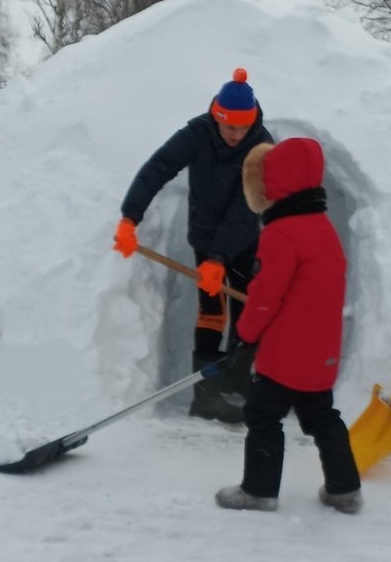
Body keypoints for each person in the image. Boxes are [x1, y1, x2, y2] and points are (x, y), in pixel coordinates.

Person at [114, 68, 272, 422]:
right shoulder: (197, 134)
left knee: (247, 315)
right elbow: (159, 167)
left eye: (242, 128)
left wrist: (221, 258)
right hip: (204, 236)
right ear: (217, 117)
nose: (235, 135)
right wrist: (130, 217)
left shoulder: (262, 146)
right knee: (212, 311)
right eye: (229, 127)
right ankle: (206, 397)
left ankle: (236, 392)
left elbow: (245, 208)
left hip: (244, 242)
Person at [214, 137, 361, 514]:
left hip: (284, 351)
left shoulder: (280, 234)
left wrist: (245, 335)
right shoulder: (323, 227)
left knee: (263, 415)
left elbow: (265, 295)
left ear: (273, 182)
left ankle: (259, 490)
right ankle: (345, 489)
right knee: (322, 416)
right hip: (321, 350)